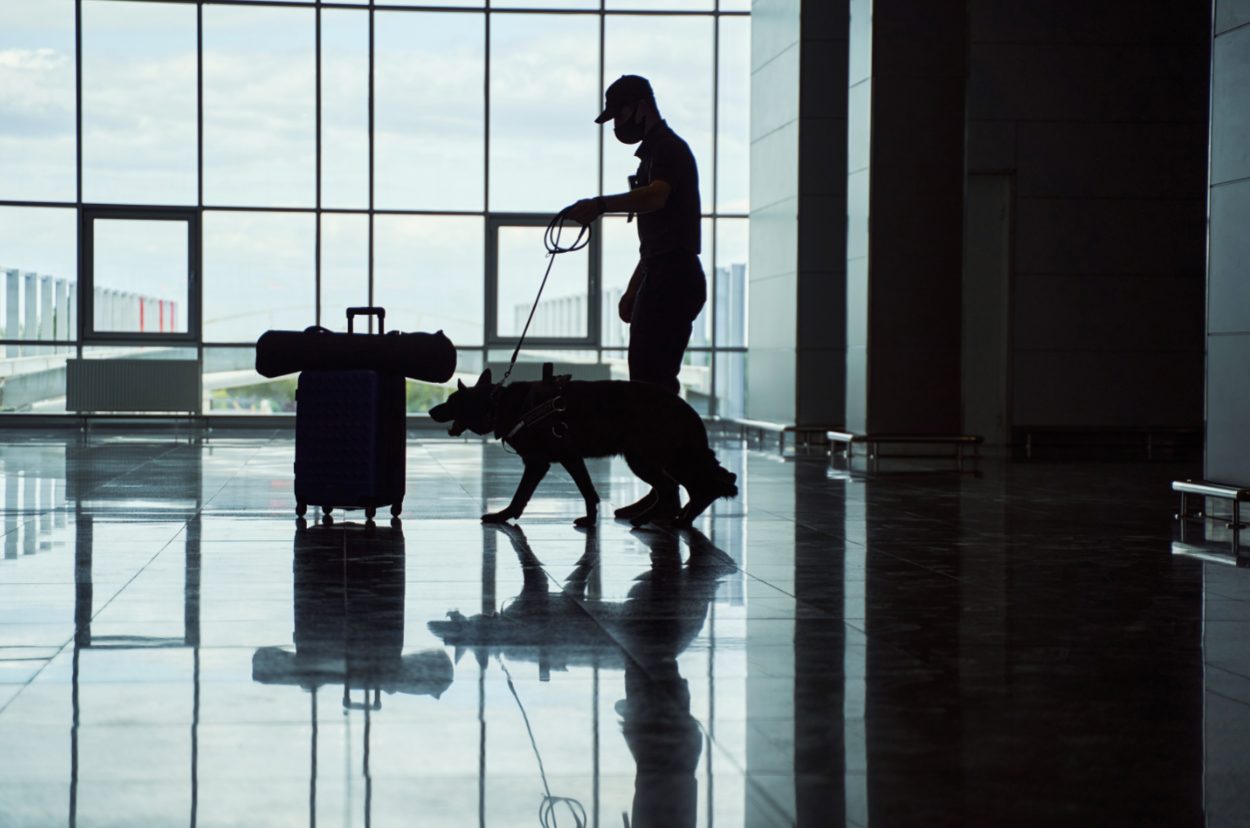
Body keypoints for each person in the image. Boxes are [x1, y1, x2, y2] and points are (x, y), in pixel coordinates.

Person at [565, 74, 706, 522]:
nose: (616, 126)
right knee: (649, 389)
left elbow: (658, 200)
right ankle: (663, 490)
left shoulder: (667, 149)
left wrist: (602, 204)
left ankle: (673, 491)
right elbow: (656, 242)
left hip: (674, 277)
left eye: (619, 115)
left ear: (640, 106)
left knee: (653, 393)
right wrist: (633, 288)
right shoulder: (652, 154)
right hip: (662, 275)